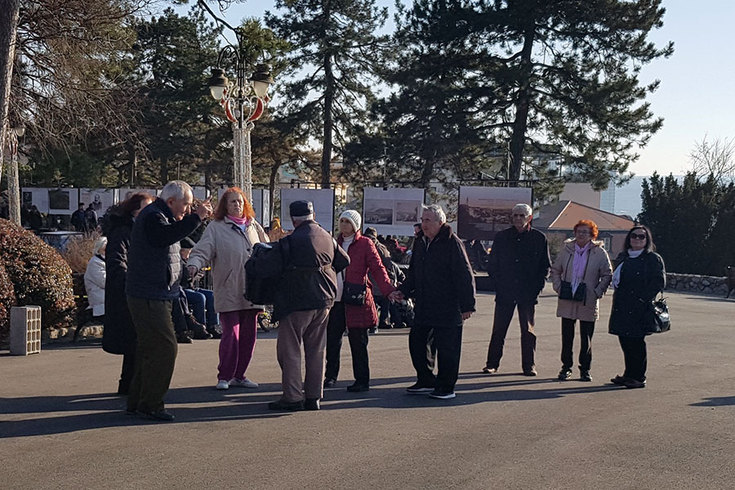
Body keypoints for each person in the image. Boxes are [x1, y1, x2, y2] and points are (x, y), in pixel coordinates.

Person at [125, 181, 212, 422]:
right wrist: (196, 218)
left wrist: (196, 219)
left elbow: (178, 237)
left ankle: (139, 401)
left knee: (149, 349)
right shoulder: (155, 217)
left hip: (154, 292)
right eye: (185, 204)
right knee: (165, 347)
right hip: (150, 293)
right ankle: (151, 404)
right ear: (171, 201)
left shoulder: (161, 215)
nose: (186, 209)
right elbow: (165, 237)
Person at [266, 200, 350, 411]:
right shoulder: (327, 236)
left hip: (296, 301)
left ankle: (292, 397)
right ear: (312, 215)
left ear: (294, 219)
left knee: (290, 350)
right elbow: (345, 260)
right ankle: (314, 397)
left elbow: (270, 268)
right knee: (316, 349)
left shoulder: (291, 241)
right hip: (324, 301)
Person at [187, 187, 269, 391]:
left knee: (249, 336)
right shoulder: (216, 227)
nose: (237, 205)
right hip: (229, 288)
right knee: (231, 335)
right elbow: (202, 250)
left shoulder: (253, 226)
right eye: (232, 202)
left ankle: (240, 375)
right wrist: (194, 264)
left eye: (240, 202)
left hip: (253, 290)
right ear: (225, 205)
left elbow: (267, 250)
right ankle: (225, 375)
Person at [390, 204, 476, 400]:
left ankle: (446, 387)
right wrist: (403, 291)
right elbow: (414, 273)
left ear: (440, 222)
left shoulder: (452, 243)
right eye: (422, 220)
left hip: (448, 306)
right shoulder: (420, 242)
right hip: (425, 304)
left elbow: (464, 274)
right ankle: (426, 379)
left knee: (448, 349)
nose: (424, 224)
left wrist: (467, 305)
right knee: (417, 342)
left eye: (428, 220)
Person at [324, 211, 395, 392]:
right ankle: (330, 376)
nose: (343, 224)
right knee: (332, 340)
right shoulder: (333, 242)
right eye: (341, 220)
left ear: (355, 225)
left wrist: (388, 291)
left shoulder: (365, 243)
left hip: (357, 300)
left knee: (358, 342)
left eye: (347, 221)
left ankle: (362, 380)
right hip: (336, 300)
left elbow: (378, 268)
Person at [482, 203, 551, 376]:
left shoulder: (539, 238)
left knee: (528, 331)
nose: (518, 219)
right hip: (505, 291)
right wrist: (498, 284)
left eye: (522, 215)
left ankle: (529, 366)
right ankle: (492, 364)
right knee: (499, 330)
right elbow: (493, 264)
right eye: (515, 216)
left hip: (527, 293)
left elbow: (545, 266)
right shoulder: (502, 237)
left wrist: (537, 288)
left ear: (529, 218)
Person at [102, 193, 154, 396]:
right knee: (134, 342)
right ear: (134, 211)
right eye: (145, 208)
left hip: (138, 291)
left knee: (137, 343)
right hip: (125, 295)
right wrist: (131, 280)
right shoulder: (123, 232)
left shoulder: (142, 231)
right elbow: (116, 263)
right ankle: (128, 386)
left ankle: (130, 384)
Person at [550, 220, 612, 382]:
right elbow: (556, 269)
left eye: (585, 232)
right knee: (567, 336)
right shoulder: (567, 250)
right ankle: (566, 367)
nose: (581, 235)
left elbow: (607, 274)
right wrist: (557, 286)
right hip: (568, 297)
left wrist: (597, 292)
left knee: (586, 338)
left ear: (592, 234)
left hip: (587, 299)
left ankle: (585, 369)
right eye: (579, 231)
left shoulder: (599, 253)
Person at [608, 225, 666, 389]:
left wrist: (643, 299)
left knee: (637, 342)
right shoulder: (623, 257)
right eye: (634, 236)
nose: (637, 239)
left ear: (647, 240)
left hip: (640, 307)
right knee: (625, 340)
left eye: (642, 237)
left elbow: (659, 283)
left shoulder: (653, 258)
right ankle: (628, 374)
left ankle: (639, 377)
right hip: (622, 305)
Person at [179, 238, 221, 338]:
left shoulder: (188, 261)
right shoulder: (180, 262)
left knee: (211, 295)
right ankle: (201, 326)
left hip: (191, 287)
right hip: (182, 289)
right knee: (200, 298)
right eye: (188, 252)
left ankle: (213, 325)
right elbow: (183, 278)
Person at [84, 237, 107, 323]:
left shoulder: (106, 261)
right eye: (104, 250)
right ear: (98, 250)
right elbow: (104, 282)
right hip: (101, 303)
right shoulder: (95, 263)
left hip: (108, 300)